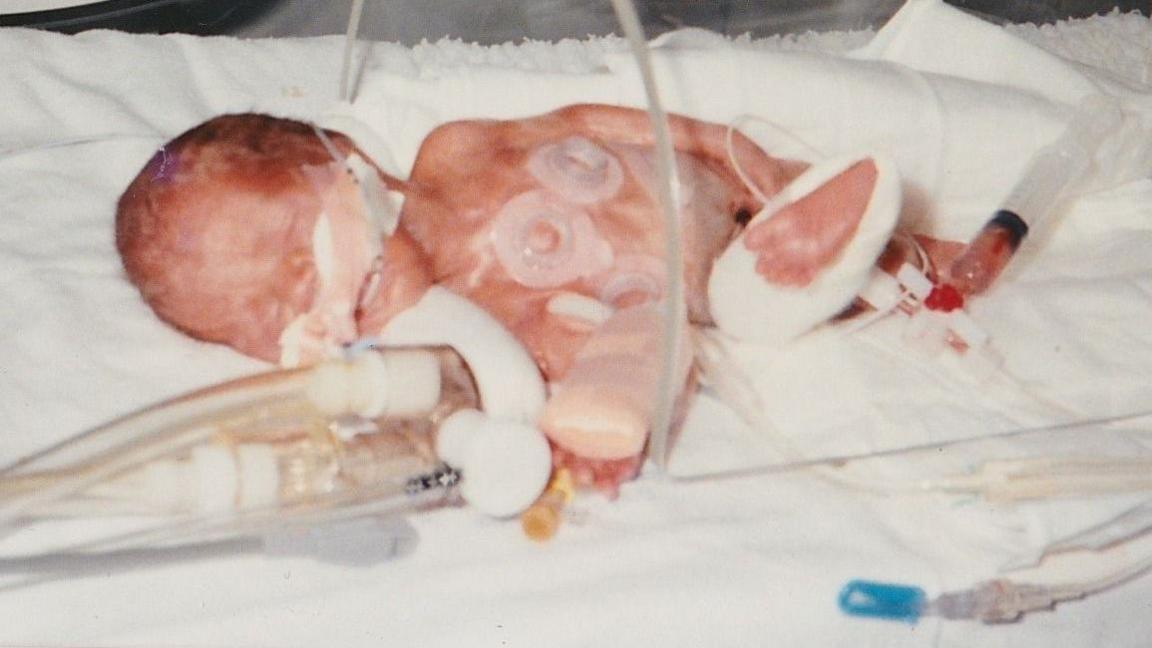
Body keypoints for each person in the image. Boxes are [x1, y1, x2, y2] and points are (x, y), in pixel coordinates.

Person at [116, 105, 898, 492]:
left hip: (740, 179)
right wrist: (595, 435)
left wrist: (741, 156)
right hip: (738, 280)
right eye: (264, 316)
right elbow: (636, 348)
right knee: (807, 286)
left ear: (346, 164)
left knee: (855, 206)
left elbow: (587, 120)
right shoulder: (484, 340)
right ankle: (858, 266)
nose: (307, 288)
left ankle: (901, 237)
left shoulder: (453, 153)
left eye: (293, 242)